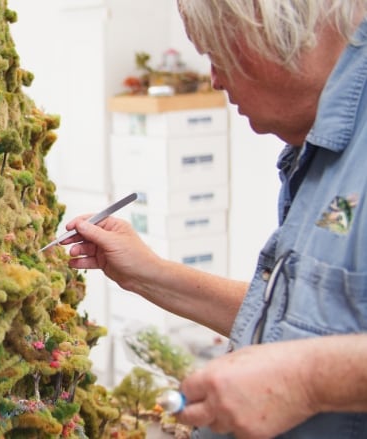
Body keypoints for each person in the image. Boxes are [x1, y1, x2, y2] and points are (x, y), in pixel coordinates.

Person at [61, 1, 367, 438]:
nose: (214, 79)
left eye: (218, 54)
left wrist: (308, 382)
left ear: (271, 30)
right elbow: (304, 315)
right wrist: (151, 275)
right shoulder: (319, 150)